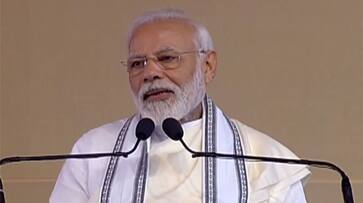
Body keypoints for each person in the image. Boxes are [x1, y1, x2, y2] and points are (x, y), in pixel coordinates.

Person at [50, 9, 310, 203]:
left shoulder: (266, 162)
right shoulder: (92, 151)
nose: (150, 72)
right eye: (137, 63)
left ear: (207, 66)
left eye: (167, 58)